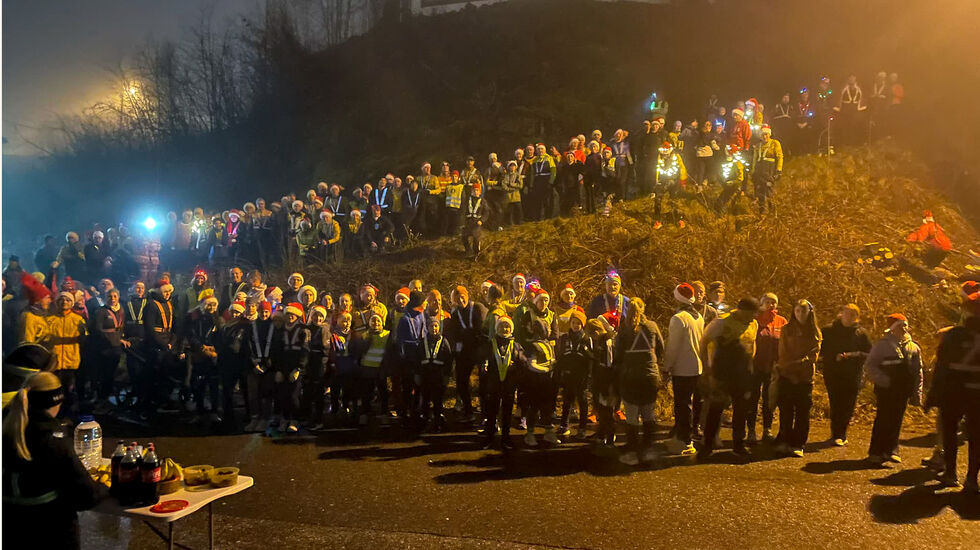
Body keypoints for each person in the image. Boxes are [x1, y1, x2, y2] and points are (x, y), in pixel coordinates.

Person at [2, 372, 107, 550]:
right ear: (56, 400)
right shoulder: (54, 440)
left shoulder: (8, 427)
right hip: (51, 530)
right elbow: (86, 496)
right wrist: (104, 488)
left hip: (11, 526)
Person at [926, 293, 980, 491]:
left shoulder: (953, 335)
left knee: (949, 433)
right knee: (977, 437)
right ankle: (972, 479)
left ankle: (950, 473)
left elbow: (941, 366)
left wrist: (933, 394)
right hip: (978, 395)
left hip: (952, 391)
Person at [699, 297, 759, 458]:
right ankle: (707, 445)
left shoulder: (753, 323)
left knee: (741, 411)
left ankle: (738, 445)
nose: (753, 317)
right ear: (741, 310)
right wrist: (707, 367)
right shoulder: (721, 322)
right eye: (751, 314)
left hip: (742, 374)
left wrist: (749, 366)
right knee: (716, 410)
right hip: (722, 373)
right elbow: (704, 342)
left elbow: (752, 344)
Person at [865, 313, 923, 465]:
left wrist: (917, 393)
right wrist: (884, 380)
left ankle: (892, 450)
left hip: (903, 391)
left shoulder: (913, 347)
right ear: (892, 328)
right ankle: (876, 451)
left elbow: (918, 371)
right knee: (883, 419)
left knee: (897, 420)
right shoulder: (882, 345)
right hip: (886, 389)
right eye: (900, 325)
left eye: (905, 325)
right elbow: (870, 365)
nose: (904, 328)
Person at [614, 298, 664, 466]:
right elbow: (661, 349)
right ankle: (648, 449)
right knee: (648, 413)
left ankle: (632, 450)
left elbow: (618, 354)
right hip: (649, 376)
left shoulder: (624, 329)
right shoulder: (652, 326)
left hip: (630, 376)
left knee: (632, 415)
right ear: (643, 308)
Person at [773, 300, 822, 457]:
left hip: (805, 377)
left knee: (802, 412)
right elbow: (783, 352)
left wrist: (798, 367)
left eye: (804, 311)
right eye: (798, 311)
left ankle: (798, 443)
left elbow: (812, 356)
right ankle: (784, 440)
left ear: (810, 312)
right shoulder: (787, 330)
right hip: (786, 374)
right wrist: (789, 369)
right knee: (786, 410)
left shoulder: (815, 332)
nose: (800, 314)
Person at [820, 304, 872, 447]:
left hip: (853, 374)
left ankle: (842, 433)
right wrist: (834, 357)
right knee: (836, 403)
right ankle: (836, 433)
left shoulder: (861, 334)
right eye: (847, 313)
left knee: (849, 404)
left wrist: (851, 355)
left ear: (857, 317)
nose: (849, 317)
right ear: (840, 313)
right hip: (833, 373)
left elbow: (869, 353)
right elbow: (821, 351)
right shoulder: (829, 331)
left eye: (853, 314)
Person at [664, 284, 704, 455]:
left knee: (682, 405)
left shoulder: (678, 318)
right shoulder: (699, 317)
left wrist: (666, 367)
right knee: (693, 404)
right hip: (698, 367)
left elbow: (673, 347)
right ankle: (689, 434)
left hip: (682, 368)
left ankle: (686, 441)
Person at [482, 315, 528, 450]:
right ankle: (489, 437)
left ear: (511, 328)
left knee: (507, 412)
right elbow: (483, 359)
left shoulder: (516, 345)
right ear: (497, 328)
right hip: (493, 383)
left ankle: (506, 438)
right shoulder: (490, 344)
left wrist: (516, 367)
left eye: (507, 326)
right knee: (491, 411)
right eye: (502, 326)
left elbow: (523, 363)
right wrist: (484, 365)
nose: (505, 328)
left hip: (509, 384)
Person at [749, 293, 786, 444]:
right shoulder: (754, 320)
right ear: (761, 303)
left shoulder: (781, 321)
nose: (771, 305)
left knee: (769, 400)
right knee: (752, 399)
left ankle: (767, 429)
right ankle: (750, 431)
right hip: (755, 366)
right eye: (768, 302)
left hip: (773, 368)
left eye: (774, 302)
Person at [446, 285, 487, 424]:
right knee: (461, 381)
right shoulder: (455, 313)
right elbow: (454, 332)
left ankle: (486, 414)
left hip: (479, 349)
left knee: (484, 382)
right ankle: (468, 410)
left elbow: (484, 329)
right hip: (465, 350)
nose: (460, 300)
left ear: (467, 295)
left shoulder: (478, 307)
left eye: (462, 296)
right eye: (457, 298)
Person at [47, 291, 88, 412]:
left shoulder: (78, 320)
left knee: (68, 389)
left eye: (67, 300)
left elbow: (84, 339)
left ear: (72, 303)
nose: (64, 302)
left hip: (71, 360)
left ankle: (67, 413)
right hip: (55, 361)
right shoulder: (50, 319)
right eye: (62, 299)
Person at [555, 307, 592, 440]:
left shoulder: (586, 339)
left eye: (578, 323)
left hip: (581, 375)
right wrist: (559, 372)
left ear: (582, 325)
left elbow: (591, 358)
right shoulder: (565, 338)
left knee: (582, 401)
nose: (576, 325)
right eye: (573, 322)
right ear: (570, 323)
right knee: (567, 400)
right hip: (568, 373)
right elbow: (560, 356)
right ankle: (564, 426)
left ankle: (582, 429)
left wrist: (589, 375)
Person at [90, 288, 129, 407]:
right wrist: (112, 339)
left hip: (116, 347)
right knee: (104, 373)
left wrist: (121, 339)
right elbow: (98, 329)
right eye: (110, 296)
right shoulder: (101, 311)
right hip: (104, 347)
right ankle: (101, 397)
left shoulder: (121, 310)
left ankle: (107, 396)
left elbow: (121, 327)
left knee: (112, 373)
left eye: (115, 296)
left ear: (118, 297)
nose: (112, 299)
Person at [415, 316, 453, 432]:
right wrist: (417, 374)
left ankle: (437, 420)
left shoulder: (444, 342)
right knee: (425, 398)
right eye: (431, 326)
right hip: (425, 374)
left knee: (437, 399)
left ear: (439, 327)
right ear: (427, 328)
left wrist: (447, 376)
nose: (434, 328)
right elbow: (417, 359)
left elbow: (449, 360)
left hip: (438, 375)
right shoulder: (422, 342)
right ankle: (424, 419)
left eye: (436, 326)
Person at [277, 303, 310, 433]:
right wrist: (279, 369)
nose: (290, 317)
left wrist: (298, 368)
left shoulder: (303, 330)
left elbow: (305, 351)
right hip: (283, 367)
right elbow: (278, 351)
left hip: (296, 368)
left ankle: (295, 420)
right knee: (283, 394)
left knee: (293, 395)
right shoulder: (281, 330)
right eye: (288, 314)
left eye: (293, 314)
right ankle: (285, 418)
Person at [357, 313, 393, 426]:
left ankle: (384, 414)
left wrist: (386, 367)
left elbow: (390, 352)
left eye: (378, 321)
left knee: (383, 393)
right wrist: (367, 342)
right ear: (369, 323)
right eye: (373, 321)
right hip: (367, 368)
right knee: (366, 393)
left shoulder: (387, 335)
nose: (375, 324)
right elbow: (360, 351)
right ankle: (365, 414)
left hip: (380, 368)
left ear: (382, 323)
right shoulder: (365, 335)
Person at [652, 141, 689, 229]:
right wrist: (654, 183)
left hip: (674, 181)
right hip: (663, 181)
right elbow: (655, 170)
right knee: (658, 199)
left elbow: (682, 168)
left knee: (675, 200)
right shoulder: (658, 157)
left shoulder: (676, 156)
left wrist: (683, 181)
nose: (665, 153)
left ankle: (679, 219)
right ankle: (658, 220)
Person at [17, 271, 52, 347]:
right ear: (37, 301)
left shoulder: (41, 315)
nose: (49, 301)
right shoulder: (29, 317)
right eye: (46, 298)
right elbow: (27, 344)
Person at [754, 125, 783, 215]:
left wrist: (779, 170)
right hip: (759, 171)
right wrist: (752, 172)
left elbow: (780, 157)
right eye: (763, 135)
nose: (764, 137)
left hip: (769, 171)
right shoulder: (758, 145)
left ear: (769, 134)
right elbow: (754, 159)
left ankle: (773, 212)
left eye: (766, 134)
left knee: (769, 191)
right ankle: (761, 212)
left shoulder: (775, 143)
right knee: (760, 192)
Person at [527, 143, 557, 221]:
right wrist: (531, 185)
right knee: (537, 201)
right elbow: (532, 174)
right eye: (539, 149)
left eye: (542, 149)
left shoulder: (549, 158)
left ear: (545, 150)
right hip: (537, 182)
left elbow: (553, 171)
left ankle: (548, 218)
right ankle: (538, 218)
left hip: (546, 181)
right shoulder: (534, 160)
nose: (540, 150)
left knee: (547, 201)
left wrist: (551, 182)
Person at [461, 182, 487, 257]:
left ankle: (476, 253)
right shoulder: (468, 200)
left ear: (480, 192)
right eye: (474, 190)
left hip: (477, 222)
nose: (475, 192)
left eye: (477, 190)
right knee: (464, 236)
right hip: (468, 221)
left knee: (476, 238)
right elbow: (463, 210)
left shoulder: (482, 201)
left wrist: (482, 220)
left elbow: (486, 212)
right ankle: (468, 251)